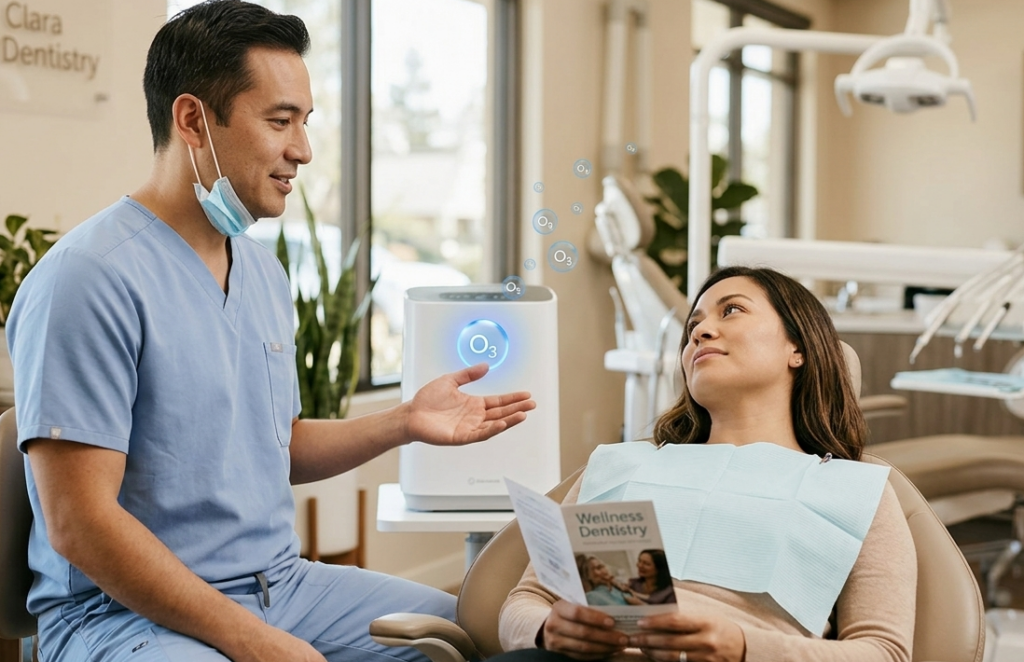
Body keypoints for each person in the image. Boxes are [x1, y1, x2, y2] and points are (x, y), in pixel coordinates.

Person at [6, 2, 535, 661]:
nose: (303, 150)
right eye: (280, 121)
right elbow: (79, 525)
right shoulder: (88, 278)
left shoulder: (260, 270)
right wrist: (254, 643)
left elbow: (272, 445)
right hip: (119, 616)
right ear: (193, 120)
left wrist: (404, 421)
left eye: (305, 123)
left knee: (467, 636)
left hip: (278, 584)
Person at [493, 266, 916, 662]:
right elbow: (526, 599)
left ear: (798, 348)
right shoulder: (618, 465)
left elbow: (884, 652)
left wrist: (745, 647)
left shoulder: (856, 489)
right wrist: (547, 629)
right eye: (693, 326)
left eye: (731, 310)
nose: (701, 332)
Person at [577, 556, 643, 607]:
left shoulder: (620, 589)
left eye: (603, 566)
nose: (605, 569)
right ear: (587, 575)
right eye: (599, 567)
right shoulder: (591, 596)